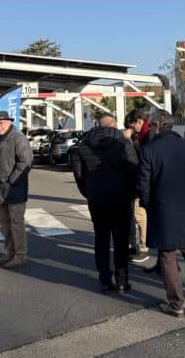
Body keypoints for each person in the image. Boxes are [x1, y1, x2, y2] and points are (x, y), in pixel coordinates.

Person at [137, 110, 185, 317]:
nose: (150, 128)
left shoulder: (149, 149)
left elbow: (143, 183)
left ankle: (176, 304)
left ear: (157, 126)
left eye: (151, 125)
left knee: (168, 256)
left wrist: (149, 204)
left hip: (161, 209)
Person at [71, 114, 138, 293]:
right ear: (114, 125)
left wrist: (89, 193)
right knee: (121, 240)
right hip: (121, 198)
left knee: (101, 238)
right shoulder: (124, 144)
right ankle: (122, 279)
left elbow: (79, 176)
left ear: (97, 125)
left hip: (96, 198)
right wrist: (132, 194)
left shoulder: (83, 146)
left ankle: (104, 279)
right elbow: (133, 171)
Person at [0, 110, 34, 269]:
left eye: (1, 123)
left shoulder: (18, 137)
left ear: (9, 122)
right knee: (4, 222)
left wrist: (11, 180)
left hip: (14, 188)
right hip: (2, 188)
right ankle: (10, 252)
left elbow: (26, 161)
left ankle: (20, 255)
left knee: (16, 222)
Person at [123, 109, 151, 263]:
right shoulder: (145, 133)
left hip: (142, 182)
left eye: (132, 127)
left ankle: (144, 246)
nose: (132, 131)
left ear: (139, 122)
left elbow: (136, 160)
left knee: (140, 216)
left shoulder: (146, 136)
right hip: (142, 181)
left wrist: (128, 142)